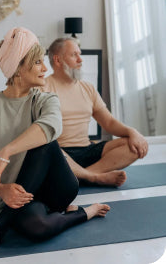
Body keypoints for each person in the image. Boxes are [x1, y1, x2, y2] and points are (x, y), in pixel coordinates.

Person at [0, 28, 110, 256]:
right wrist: (1, 190)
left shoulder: (46, 99)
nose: (45, 68)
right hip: (13, 199)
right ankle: (84, 213)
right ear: (19, 68)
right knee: (38, 228)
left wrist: (6, 152)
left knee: (45, 141)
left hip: (55, 188)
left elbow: (52, 126)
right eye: (38, 62)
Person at [42, 37, 148, 187]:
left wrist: (133, 132)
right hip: (60, 153)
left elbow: (109, 122)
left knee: (135, 146)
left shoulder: (88, 88)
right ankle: (92, 177)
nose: (80, 60)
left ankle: (82, 176)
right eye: (74, 55)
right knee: (45, 147)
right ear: (58, 60)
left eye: (80, 54)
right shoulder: (42, 88)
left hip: (87, 149)